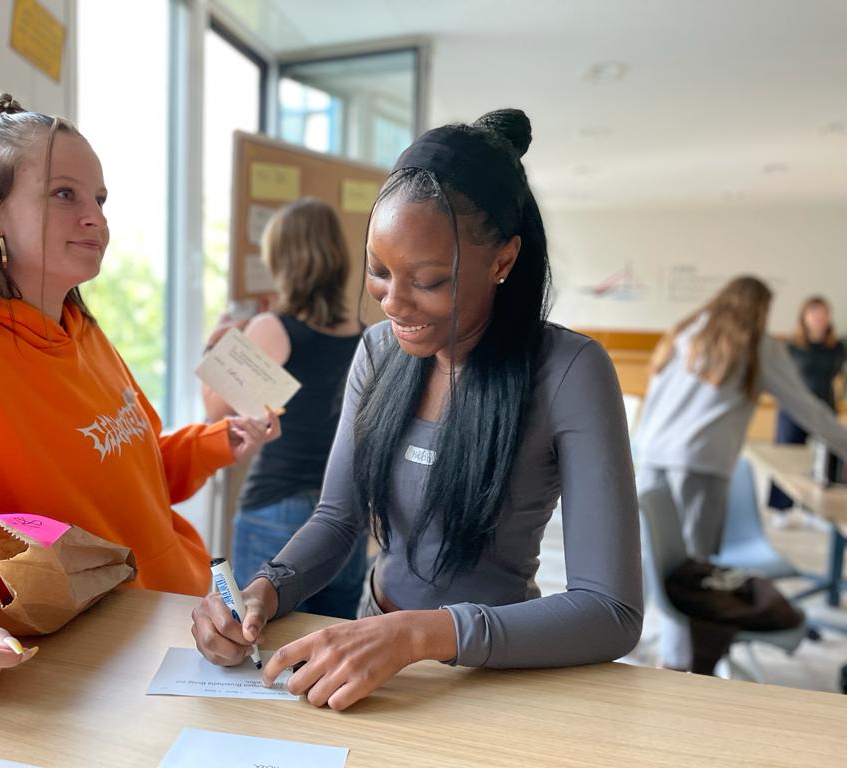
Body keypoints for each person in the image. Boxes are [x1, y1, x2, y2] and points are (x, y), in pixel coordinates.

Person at [0, 94, 279, 701]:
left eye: (100, 199)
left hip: (179, 631)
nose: (96, 219)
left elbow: (130, 476)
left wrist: (217, 442)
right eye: (65, 194)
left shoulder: (81, 328)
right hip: (90, 682)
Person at [191, 108, 643, 711]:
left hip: (493, 674)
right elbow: (338, 518)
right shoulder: (378, 351)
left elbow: (611, 610)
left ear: (503, 262)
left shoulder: (570, 371)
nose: (392, 303)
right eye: (379, 271)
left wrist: (417, 635)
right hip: (368, 643)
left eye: (428, 281)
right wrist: (264, 592)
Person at [635, 276, 847, 670]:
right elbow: (809, 410)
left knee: (650, 555)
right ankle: (677, 660)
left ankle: (635, 642)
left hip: (652, 455)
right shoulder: (756, 345)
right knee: (691, 569)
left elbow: (654, 396)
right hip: (698, 464)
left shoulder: (687, 332)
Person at [202, 198, 366, 619]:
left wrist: (216, 346)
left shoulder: (274, 329)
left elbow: (217, 412)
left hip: (278, 508)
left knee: (257, 636)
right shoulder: (366, 338)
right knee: (331, 642)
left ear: (283, 262)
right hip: (345, 517)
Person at [768, 296, 847, 519]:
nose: (819, 317)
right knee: (786, 459)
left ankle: (812, 511)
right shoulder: (791, 346)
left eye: (823, 313)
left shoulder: (837, 348)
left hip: (824, 410)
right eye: (814, 312)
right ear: (804, 316)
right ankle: (780, 510)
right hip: (794, 410)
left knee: (824, 463)